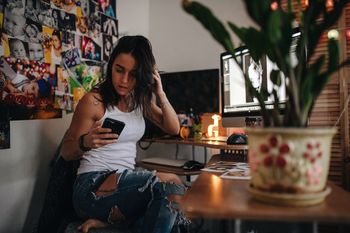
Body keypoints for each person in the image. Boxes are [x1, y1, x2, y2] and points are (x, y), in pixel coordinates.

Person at [60, 35, 186, 233]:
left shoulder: (139, 100)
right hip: (92, 187)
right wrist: (85, 142)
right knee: (171, 183)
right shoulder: (93, 101)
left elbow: (173, 128)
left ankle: (112, 222)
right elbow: (66, 152)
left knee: (174, 198)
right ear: (111, 66)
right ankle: (115, 221)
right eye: (119, 70)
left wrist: (160, 93)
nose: (124, 80)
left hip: (125, 183)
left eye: (134, 74)